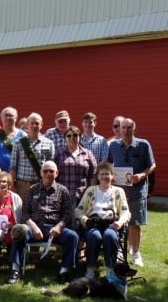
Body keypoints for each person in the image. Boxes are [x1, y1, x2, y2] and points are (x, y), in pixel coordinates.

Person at [6, 161, 79, 285]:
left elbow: (67, 214)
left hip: (55, 229)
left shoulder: (63, 190)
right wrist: (33, 227)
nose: (48, 173)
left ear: (57, 173)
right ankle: (15, 270)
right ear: (40, 173)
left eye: (51, 171)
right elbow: (25, 214)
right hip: (35, 227)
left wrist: (58, 227)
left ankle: (64, 271)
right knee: (19, 231)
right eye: (45, 171)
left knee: (73, 236)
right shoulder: (32, 190)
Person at [108, 117, 156, 267]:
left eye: (129, 128)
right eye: (123, 128)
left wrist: (142, 175)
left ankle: (136, 253)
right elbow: (109, 163)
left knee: (134, 224)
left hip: (137, 191)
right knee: (117, 222)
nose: (126, 131)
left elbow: (152, 165)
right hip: (119, 192)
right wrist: (111, 176)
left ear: (134, 129)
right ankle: (119, 252)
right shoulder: (114, 145)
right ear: (119, 130)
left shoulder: (143, 145)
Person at [75, 161, 131, 278]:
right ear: (98, 176)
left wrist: (119, 223)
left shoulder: (119, 192)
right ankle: (90, 269)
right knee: (94, 236)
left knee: (109, 236)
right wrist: (84, 219)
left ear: (112, 176)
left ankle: (110, 269)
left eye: (107, 174)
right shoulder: (91, 190)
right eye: (101, 174)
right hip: (93, 223)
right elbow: (79, 210)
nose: (104, 177)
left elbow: (126, 212)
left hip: (111, 224)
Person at [9, 112, 55, 199]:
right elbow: (13, 167)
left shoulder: (49, 143)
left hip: (41, 184)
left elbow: (51, 167)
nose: (34, 126)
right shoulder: (19, 143)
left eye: (37, 123)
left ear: (41, 125)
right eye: (32, 123)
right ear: (27, 125)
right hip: (22, 185)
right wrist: (11, 186)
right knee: (21, 211)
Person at [54, 126, 97, 209]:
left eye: (75, 135)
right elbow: (53, 174)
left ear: (79, 137)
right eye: (69, 136)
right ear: (65, 138)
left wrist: (91, 194)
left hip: (82, 195)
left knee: (79, 220)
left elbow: (93, 175)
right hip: (62, 195)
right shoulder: (58, 153)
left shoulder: (87, 153)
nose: (72, 138)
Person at [0, 106, 26, 171]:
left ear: (16, 118)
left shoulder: (23, 135)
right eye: (6, 115)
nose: (8, 117)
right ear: (1, 118)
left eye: (11, 115)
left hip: (18, 175)